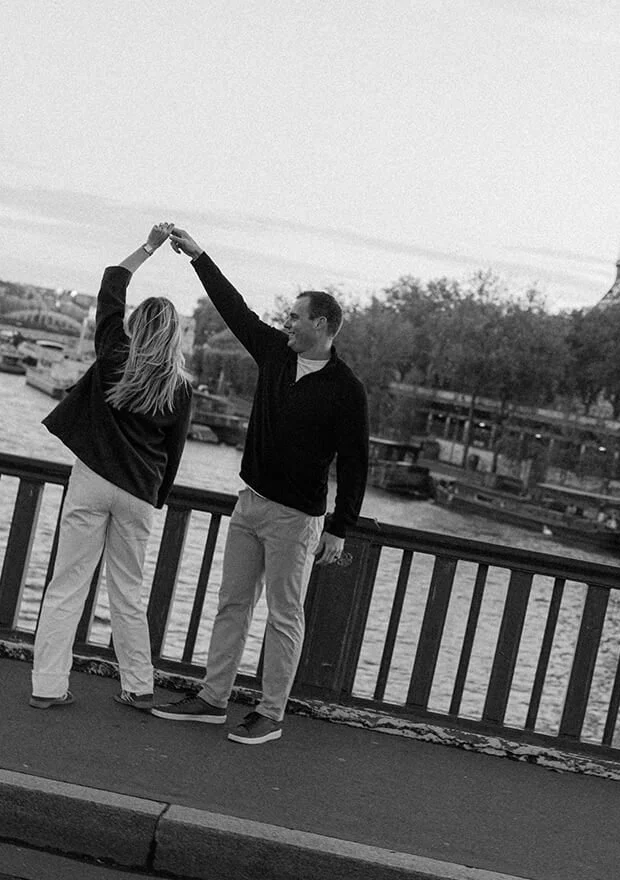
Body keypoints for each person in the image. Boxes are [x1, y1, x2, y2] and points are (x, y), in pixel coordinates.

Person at [151, 226, 369, 745]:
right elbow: (235, 309)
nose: (286, 323)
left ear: (321, 324)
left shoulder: (346, 390)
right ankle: (212, 700)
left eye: (295, 317)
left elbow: (356, 464)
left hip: (296, 519)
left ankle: (270, 713)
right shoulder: (274, 353)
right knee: (232, 605)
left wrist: (340, 528)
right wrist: (199, 257)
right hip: (249, 505)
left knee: (284, 617)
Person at [30, 223, 194, 711]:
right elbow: (175, 451)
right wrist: (155, 496)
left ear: (136, 326)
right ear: (174, 337)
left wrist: (149, 246)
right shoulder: (179, 387)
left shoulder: (113, 353)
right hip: (139, 492)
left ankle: (48, 686)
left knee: (67, 585)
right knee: (127, 592)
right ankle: (139, 687)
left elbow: (112, 285)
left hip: (92, 480)